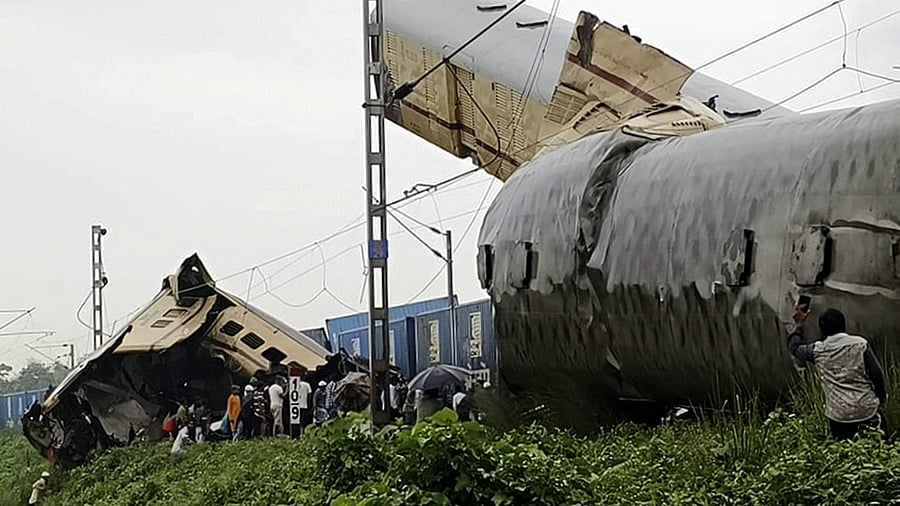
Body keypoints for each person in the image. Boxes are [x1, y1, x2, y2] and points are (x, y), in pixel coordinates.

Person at [788, 306, 888, 440]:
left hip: (840, 417)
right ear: (843, 324)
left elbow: (794, 348)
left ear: (822, 330)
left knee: (845, 455)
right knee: (880, 448)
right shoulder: (860, 344)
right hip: (867, 409)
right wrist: (880, 398)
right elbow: (876, 374)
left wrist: (799, 325)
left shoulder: (818, 351)